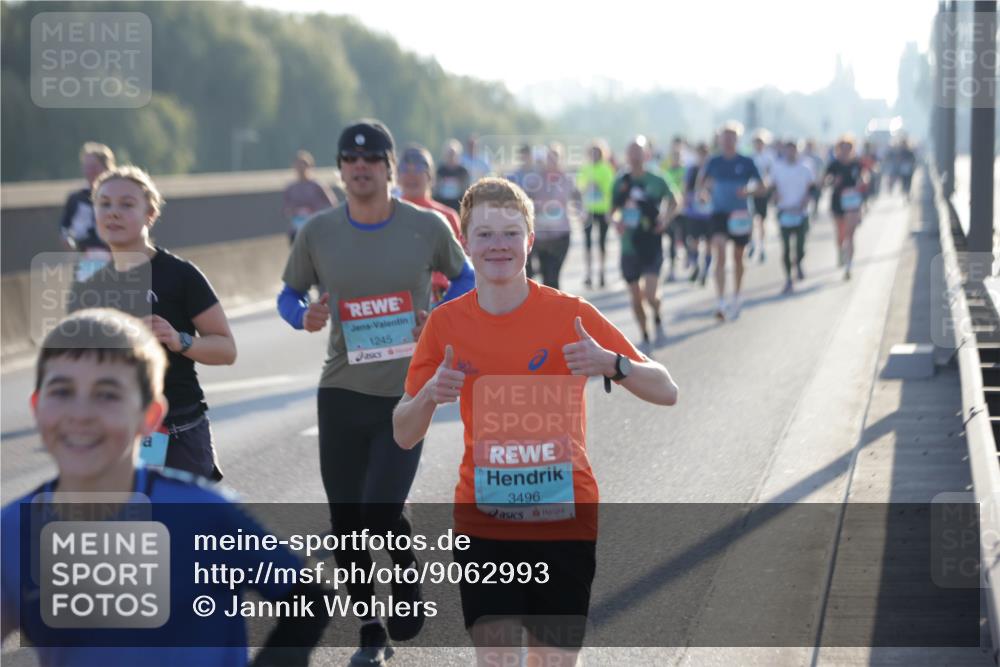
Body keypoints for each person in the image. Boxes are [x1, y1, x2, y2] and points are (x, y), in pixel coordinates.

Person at [392, 177, 678, 667]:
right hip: (484, 521)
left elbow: (666, 389)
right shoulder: (446, 325)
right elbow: (402, 431)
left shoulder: (571, 316)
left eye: (510, 233)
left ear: (529, 239)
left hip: (564, 519)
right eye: (484, 234)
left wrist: (613, 364)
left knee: (551, 662)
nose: (498, 245)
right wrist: (429, 397)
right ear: (465, 244)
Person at [1, 309, 329, 667]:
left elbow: (311, 600)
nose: (81, 414)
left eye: (107, 394)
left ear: (150, 415)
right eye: (62, 391)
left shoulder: (204, 513)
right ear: (37, 408)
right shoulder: (13, 530)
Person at [276, 119, 472, 665]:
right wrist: (304, 315)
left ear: (389, 168)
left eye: (371, 160)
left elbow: (465, 278)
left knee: (379, 510)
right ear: (340, 170)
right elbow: (288, 296)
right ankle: (370, 626)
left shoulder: (425, 227)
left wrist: (439, 316)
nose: (360, 168)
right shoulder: (318, 231)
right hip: (341, 391)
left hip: (406, 393)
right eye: (350, 161)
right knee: (346, 522)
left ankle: (405, 581)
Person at [70, 166, 235, 481]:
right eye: (104, 204)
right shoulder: (90, 287)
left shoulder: (180, 275)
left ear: (150, 213)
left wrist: (179, 340)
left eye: (126, 204)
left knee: (183, 529)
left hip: (178, 433)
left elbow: (226, 350)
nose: (113, 213)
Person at [610, 136, 676, 346]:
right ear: (627, 156)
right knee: (635, 297)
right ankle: (645, 333)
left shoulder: (657, 179)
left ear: (647, 154)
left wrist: (665, 220)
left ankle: (657, 312)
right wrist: (616, 222)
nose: (635, 156)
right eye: (631, 152)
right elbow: (612, 211)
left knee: (650, 294)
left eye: (639, 152)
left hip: (651, 242)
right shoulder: (621, 182)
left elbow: (675, 200)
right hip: (629, 245)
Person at [697, 122, 764, 320]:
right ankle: (720, 300)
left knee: (738, 256)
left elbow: (762, 187)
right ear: (719, 139)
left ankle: (737, 294)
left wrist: (748, 191)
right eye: (724, 137)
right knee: (719, 252)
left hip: (740, 215)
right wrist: (703, 193)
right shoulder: (714, 161)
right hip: (719, 213)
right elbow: (702, 184)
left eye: (732, 137)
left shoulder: (746, 161)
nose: (727, 140)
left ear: (737, 139)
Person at [398, 144, 467, 304]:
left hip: (439, 296)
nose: (411, 176)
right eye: (405, 170)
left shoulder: (447, 216)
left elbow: (462, 268)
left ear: (431, 177)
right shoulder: (385, 214)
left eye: (418, 170)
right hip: (398, 300)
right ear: (397, 176)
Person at [524, 143, 577, 290]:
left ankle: (555, 309)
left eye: (555, 158)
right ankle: (549, 309)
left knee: (553, 275)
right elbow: (526, 200)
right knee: (546, 276)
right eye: (549, 158)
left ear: (561, 160)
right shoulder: (535, 179)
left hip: (561, 235)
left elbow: (576, 199)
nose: (552, 162)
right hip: (541, 237)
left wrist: (581, 212)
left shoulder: (567, 179)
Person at [60, 142, 115, 283]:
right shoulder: (76, 199)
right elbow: (64, 229)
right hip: (85, 260)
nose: (89, 171)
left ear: (107, 167)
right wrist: (70, 245)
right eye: (86, 167)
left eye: (94, 167)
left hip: (112, 261)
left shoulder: (117, 197)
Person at [770, 141, 815, 293]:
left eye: (793, 149)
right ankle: (788, 278)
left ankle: (799, 262)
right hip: (784, 211)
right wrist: (775, 196)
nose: (791, 152)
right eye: (788, 149)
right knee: (786, 248)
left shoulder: (806, 167)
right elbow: (772, 187)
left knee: (801, 246)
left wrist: (806, 200)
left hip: (801, 212)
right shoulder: (777, 167)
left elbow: (812, 188)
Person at [825, 135, 867, 281]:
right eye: (842, 148)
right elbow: (824, 181)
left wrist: (861, 183)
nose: (845, 150)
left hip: (852, 202)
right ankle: (840, 251)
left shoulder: (856, 163)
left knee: (850, 235)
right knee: (841, 234)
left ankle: (849, 265)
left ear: (852, 148)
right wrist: (833, 182)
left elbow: (864, 177)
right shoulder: (834, 164)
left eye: (848, 147)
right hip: (838, 201)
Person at [575, 140, 615, 289]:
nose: (594, 155)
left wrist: (599, 186)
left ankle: (602, 273)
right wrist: (586, 187)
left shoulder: (606, 169)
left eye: (597, 152)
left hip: (603, 210)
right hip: (588, 210)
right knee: (588, 244)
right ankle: (589, 274)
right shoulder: (585, 168)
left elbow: (611, 190)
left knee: (602, 243)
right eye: (592, 152)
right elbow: (579, 189)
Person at [284, 150, 337, 243]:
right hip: (297, 229)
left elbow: (332, 205)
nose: (301, 168)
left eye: (304, 164)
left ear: (310, 166)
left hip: (316, 228)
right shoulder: (290, 188)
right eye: (298, 164)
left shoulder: (317, 185)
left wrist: (314, 211)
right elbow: (286, 209)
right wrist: (296, 211)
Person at [681, 142, 714, 286]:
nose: (703, 156)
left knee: (709, 244)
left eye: (705, 153)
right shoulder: (692, 170)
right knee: (693, 242)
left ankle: (705, 270)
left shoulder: (713, 170)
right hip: (694, 213)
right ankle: (695, 265)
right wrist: (692, 198)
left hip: (710, 214)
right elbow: (685, 189)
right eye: (700, 153)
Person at [660, 142, 688, 282]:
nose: (676, 158)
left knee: (684, 237)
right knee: (671, 238)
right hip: (672, 208)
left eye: (678, 156)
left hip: (685, 209)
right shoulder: (667, 172)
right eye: (674, 156)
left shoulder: (686, 171)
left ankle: (689, 256)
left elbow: (687, 188)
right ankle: (672, 269)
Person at [749, 130, 775, 263]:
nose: (758, 145)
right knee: (751, 220)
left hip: (763, 193)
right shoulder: (750, 157)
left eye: (760, 142)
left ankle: (762, 247)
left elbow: (771, 175)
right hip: (751, 192)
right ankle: (752, 243)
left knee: (762, 221)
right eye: (756, 142)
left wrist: (766, 187)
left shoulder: (768, 158)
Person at [434, 138, 471, 212]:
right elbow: (435, 188)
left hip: (458, 204)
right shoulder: (440, 170)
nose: (451, 157)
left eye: (453, 154)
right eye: (449, 154)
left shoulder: (463, 171)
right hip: (443, 204)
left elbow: (467, 188)